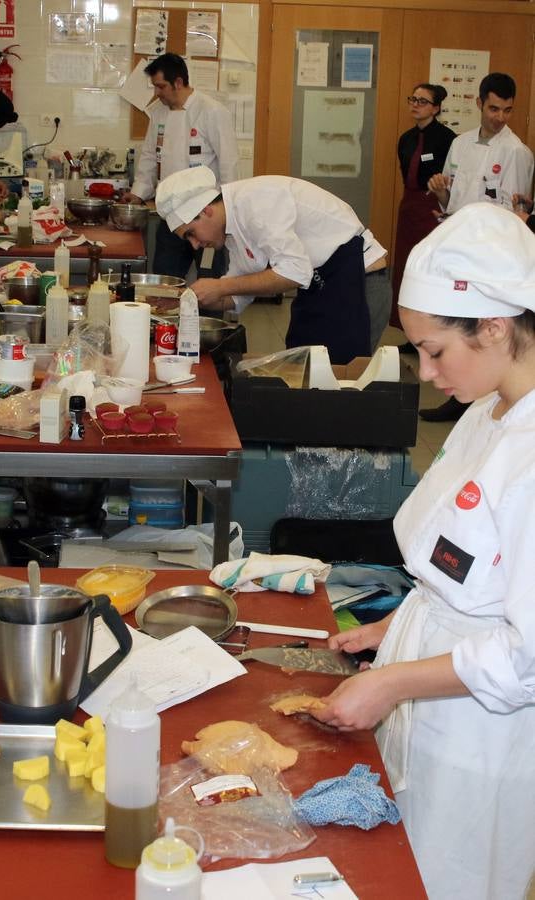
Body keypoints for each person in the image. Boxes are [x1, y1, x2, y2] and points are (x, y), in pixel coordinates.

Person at [309, 203, 535, 900]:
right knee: (402, 872)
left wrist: (393, 681)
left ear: (495, 326)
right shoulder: (486, 413)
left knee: (450, 880)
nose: (426, 371)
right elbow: (463, 570)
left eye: (436, 350)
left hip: (481, 738)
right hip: (428, 696)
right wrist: (397, 625)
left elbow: (525, 657)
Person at [155, 165, 391, 362]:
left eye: (191, 234)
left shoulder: (257, 202)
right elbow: (238, 294)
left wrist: (220, 287)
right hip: (321, 287)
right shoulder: (232, 231)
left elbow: (295, 273)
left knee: (339, 381)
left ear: (205, 211)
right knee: (303, 368)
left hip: (360, 284)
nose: (195, 245)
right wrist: (186, 300)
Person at [421, 72, 534, 421]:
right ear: (479, 103)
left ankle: (474, 400)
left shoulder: (516, 152)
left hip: (490, 256)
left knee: (480, 328)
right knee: (456, 324)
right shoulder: (461, 144)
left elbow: (516, 217)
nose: (500, 117)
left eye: (507, 110)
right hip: (458, 245)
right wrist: (440, 190)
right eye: (493, 108)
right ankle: (461, 394)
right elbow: (450, 197)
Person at [122, 53, 239, 280]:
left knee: (210, 281)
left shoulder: (212, 111)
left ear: (178, 82)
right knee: (165, 283)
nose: (156, 93)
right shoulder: (158, 113)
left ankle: (209, 316)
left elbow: (229, 163)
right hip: (171, 217)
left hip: (206, 217)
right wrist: (137, 193)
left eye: (161, 86)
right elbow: (148, 157)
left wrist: (229, 212)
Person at [391, 84, 455, 335]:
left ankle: (431, 331)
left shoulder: (448, 139)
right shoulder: (405, 139)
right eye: (413, 99)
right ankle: (409, 331)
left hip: (433, 207)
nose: (415, 104)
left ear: (436, 108)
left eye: (423, 101)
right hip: (409, 206)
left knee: (428, 269)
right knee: (407, 269)